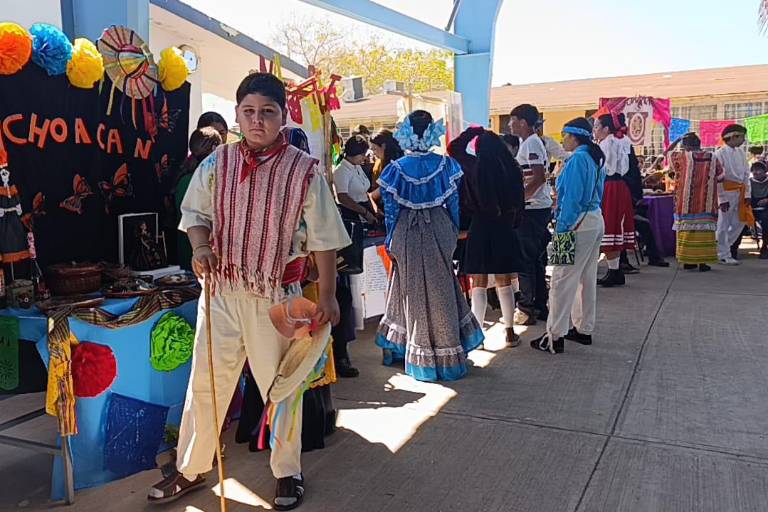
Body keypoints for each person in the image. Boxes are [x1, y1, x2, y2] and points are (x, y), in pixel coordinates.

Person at [148, 73, 350, 510]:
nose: (257, 120)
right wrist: (201, 246)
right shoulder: (217, 162)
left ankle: (286, 472)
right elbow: (195, 213)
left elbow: (324, 240)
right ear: (237, 115)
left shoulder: (304, 170)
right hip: (221, 293)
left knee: (280, 388)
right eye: (249, 111)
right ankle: (191, 468)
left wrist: (329, 295)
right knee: (206, 384)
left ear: (282, 116)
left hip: (276, 296)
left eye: (268, 112)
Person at [376, 110, 484, 381]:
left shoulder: (395, 169)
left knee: (407, 291)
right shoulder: (446, 165)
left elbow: (390, 210)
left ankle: (408, 350)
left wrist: (391, 240)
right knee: (442, 290)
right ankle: (447, 354)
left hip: (407, 232)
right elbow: (454, 207)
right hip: (438, 227)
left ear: (407, 132)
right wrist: (450, 234)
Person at [531, 118, 605, 354]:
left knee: (561, 281)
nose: (563, 140)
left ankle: (554, 335)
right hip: (594, 220)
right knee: (586, 279)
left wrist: (561, 231)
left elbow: (571, 200)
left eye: (565, 135)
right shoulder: (595, 158)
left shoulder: (576, 161)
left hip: (574, 225)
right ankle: (583, 329)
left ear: (574, 136)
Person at [448, 126, 525, 347]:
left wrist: (474, 131)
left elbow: (454, 148)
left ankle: (478, 336)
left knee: (478, 283)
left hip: (480, 226)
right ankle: (510, 332)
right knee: (504, 281)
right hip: (504, 226)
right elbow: (520, 202)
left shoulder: (473, 167)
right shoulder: (512, 168)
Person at [508, 104, 551, 325]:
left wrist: (519, 201)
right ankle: (539, 304)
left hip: (533, 209)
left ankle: (525, 307)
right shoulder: (530, 143)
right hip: (536, 208)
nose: (509, 124)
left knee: (525, 260)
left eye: (512, 119)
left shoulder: (532, 143)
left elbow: (538, 177)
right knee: (535, 259)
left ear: (523, 121)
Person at [667, 133, 724, 272]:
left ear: (685, 146)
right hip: (706, 203)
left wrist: (677, 140)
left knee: (686, 232)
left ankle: (688, 261)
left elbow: (667, 152)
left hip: (685, 204)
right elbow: (721, 176)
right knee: (705, 233)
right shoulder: (713, 157)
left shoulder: (682, 157)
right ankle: (703, 262)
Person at [593, 113, 636, 287]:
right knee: (616, 226)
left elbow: (603, 169)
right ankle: (615, 270)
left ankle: (613, 271)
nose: (594, 130)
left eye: (596, 126)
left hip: (609, 186)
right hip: (620, 186)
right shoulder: (623, 141)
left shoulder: (605, 144)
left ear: (606, 129)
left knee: (609, 225)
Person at [173, 127, 223, 270]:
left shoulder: (184, 179)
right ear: (214, 147)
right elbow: (195, 216)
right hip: (202, 254)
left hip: (188, 249)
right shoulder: (206, 176)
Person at [715, 124, 754, 265]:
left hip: (740, 191)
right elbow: (717, 177)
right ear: (733, 137)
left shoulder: (741, 153)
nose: (744, 140)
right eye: (742, 137)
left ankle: (721, 247)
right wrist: (722, 198)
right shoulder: (719, 153)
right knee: (723, 224)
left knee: (741, 222)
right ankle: (723, 254)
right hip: (726, 191)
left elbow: (745, 174)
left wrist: (747, 193)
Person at [333, 135, 378, 226]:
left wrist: (374, 210)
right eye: (362, 154)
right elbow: (342, 197)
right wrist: (364, 212)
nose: (364, 158)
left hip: (365, 210)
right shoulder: (341, 170)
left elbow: (364, 192)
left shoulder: (357, 166)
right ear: (353, 152)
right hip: (351, 215)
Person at [750, 160, 768, 259]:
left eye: (758, 170)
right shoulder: (749, 182)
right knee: (739, 221)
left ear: (764, 171)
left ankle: (764, 247)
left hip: (765, 209)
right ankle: (732, 249)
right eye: (754, 170)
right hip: (751, 209)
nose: (756, 172)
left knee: (766, 222)